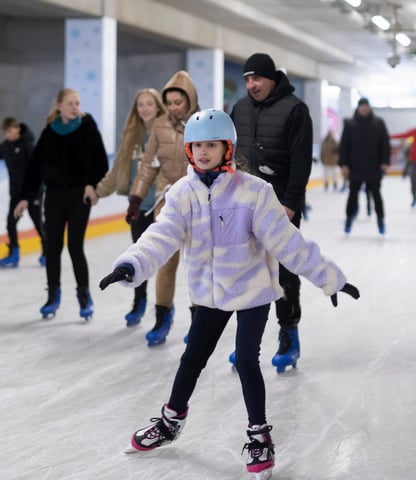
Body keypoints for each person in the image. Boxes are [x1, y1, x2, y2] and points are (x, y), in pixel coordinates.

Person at [98, 109, 359, 478]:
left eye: (212, 144)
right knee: (192, 358)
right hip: (209, 294)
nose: (204, 151)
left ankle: (258, 435)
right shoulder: (181, 194)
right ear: (189, 150)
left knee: (247, 361)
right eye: (197, 145)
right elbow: (161, 236)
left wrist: (328, 277)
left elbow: (288, 243)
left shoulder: (254, 192)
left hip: (251, 292)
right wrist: (131, 264)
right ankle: (171, 421)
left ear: (227, 148)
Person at [230, 52, 314, 372]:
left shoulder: (295, 110)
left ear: (272, 78)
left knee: (284, 273)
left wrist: (291, 204)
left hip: (281, 204)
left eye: (257, 79)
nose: (251, 85)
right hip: (245, 204)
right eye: (247, 79)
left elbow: (301, 161)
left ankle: (288, 334)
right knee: (248, 272)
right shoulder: (239, 109)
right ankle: (247, 345)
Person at [14, 87, 108, 321]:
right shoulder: (49, 133)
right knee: (53, 247)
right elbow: (34, 168)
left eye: (77, 103)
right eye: (70, 103)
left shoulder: (88, 128)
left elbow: (100, 162)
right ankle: (53, 294)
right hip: (54, 196)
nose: (75, 107)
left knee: (75, 247)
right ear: (59, 106)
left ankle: (84, 295)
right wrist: (25, 196)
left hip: (79, 196)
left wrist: (91, 184)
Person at [125, 71, 199, 346]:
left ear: (190, 100)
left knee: (196, 265)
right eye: (169, 102)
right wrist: (136, 198)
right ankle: (162, 316)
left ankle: (198, 321)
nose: (173, 108)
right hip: (167, 201)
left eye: (178, 102)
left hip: (198, 200)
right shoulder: (159, 126)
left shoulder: (203, 123)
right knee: (166, 264)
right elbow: (148, 165)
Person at [95, 88, 167, 327]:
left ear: (158, 106)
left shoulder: (166, 133)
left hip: (161, 208)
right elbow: (118, 171)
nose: (145, 108)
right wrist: (98, 192)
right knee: (139, 258)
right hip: (137, 209)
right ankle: (139, 301)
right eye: (140, 105)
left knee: (167, 267)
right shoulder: (132, 137)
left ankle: (165, 310)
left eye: (149, 104)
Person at [0, 117, 45, 268]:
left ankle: (47, 252)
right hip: (16, 194)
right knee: (11, 223)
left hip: (32, 192)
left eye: (10, 131)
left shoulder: (29, 145)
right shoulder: (7, 146)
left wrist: (34, 192)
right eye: (6, 132)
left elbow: (37, 170)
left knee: (38, 222)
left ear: (17, 128)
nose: (8, 135)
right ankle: (14, 253)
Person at [339, 97, 390, 234]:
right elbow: (344, 146)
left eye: (366, 106)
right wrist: (343, 163)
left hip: (373, 167)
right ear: (358, 108)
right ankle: (349, 219)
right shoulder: (350, 124)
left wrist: (385, 162)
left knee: (376, 195)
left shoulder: (378, 123)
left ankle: (381, 220)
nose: (364, 108)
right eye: (362, 106)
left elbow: (385, 144)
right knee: (352, 195)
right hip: (356, 167)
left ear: (369, 107)